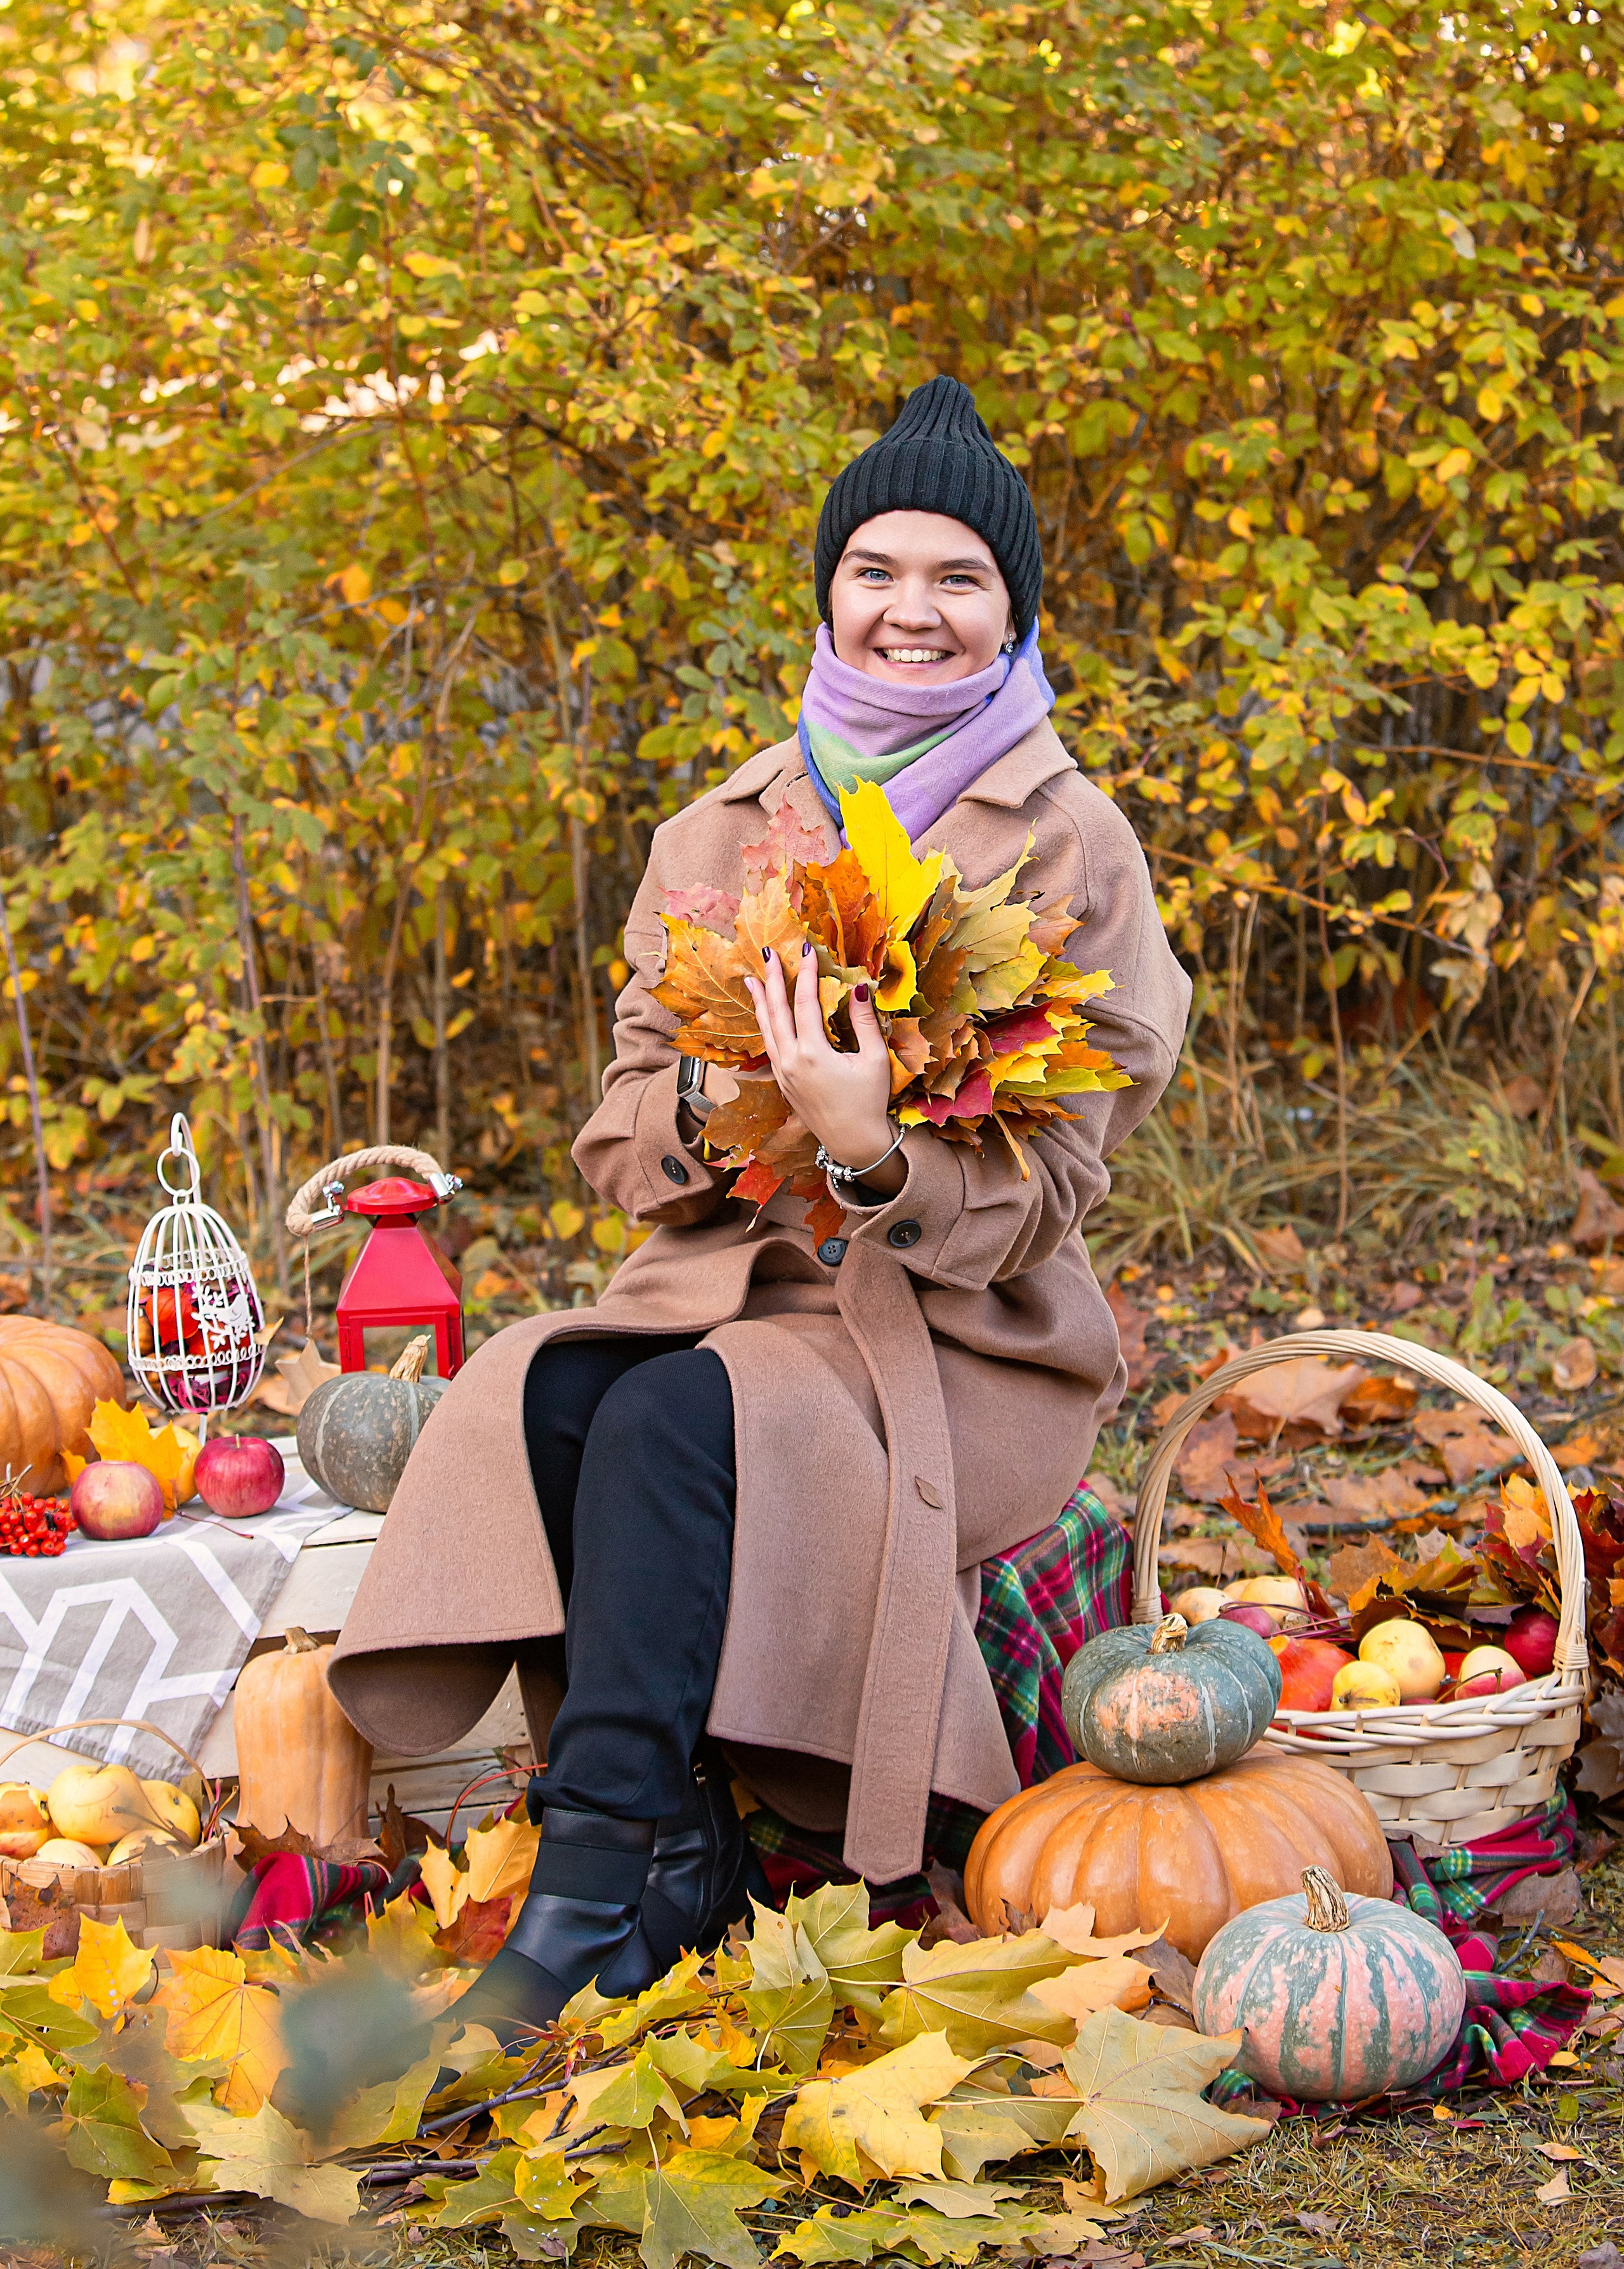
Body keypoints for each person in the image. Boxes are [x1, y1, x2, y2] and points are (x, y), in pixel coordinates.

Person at [328, 375, 1193, 2031]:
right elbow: (612, 1143)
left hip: (949, 1330)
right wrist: (726, 1106)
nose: (912, 609)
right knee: (547, 1381)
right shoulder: (719, 828)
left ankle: (589, 1895)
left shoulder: (1072, 842)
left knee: (676, 1419)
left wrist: (868, 1145)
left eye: (959, 578)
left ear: (1013, 613)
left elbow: (1048, 1188)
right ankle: (674, 1851)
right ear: (828, 592)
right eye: (878, 568)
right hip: (730, 1284)